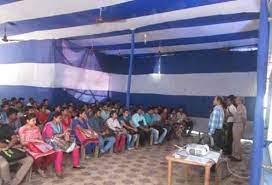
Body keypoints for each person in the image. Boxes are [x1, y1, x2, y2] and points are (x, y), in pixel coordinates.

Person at [42, 112, 83, 178]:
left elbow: (65, 131)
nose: (60, 119)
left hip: (59, 140)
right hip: (50, 142)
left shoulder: (60, 124)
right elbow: (51, 137)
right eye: (59, 118)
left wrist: (67, 134)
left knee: (75, 147)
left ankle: (76, 165)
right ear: (54, 118)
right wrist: (63, 134)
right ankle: (58, 171)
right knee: (59, 151)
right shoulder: (49, 125)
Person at [18, 113, 55, 177]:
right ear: (27, 121)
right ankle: (38, 169)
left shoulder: (36, 128)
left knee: (52, 154)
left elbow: (40, 138)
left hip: (38, 145)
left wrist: (41, 142)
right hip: (28, 147)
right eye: (33, 120)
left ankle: (42, 168)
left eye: (35, 120)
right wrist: (33, 141)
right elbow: (22, 143)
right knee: (39, 158)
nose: (35, 122)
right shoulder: (22, 129)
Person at [230, 97, 246, 161]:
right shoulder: (239, 107)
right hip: (237, 124)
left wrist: (243, 126)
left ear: (240, 101)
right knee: (235, 141)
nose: (235, 101)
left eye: (236, 100)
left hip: (238, 125)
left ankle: (238, 157)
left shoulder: (241, 107)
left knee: (237, 141)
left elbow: (244, 118)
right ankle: (234, 155)